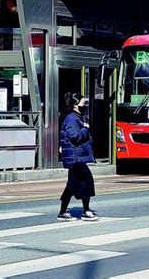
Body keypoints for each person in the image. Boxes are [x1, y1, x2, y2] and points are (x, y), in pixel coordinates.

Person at [58, 92, 99, 222]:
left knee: (72, 185)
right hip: (76, 156)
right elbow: (74, 136)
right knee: (86, 182)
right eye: (83, 102)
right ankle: (86, 211)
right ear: (76, 104)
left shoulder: (77, 117)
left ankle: (63, 212)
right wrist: (86, 129)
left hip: (77, 156)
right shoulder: (72, 118)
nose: (85, 104)